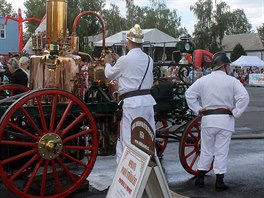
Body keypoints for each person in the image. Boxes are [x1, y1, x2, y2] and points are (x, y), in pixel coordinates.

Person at [185, 51, 249, 192]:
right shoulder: (232, 81)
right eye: (228, 65)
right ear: (225, 66)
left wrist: (198, 109)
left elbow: (189, 94)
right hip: (224, 120)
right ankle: (219, 181)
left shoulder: (203, 80)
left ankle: (200, 177)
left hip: (208, 120)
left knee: (206, 150)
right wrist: (236, 112)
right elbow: (244, 97)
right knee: (221, 151)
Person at [104, 24, 156, 163]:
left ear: (129, 43)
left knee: (127, 138)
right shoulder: (149, 60)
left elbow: (109, 75)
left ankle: (128, 173)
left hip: (132, 104)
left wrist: (107, 63)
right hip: (147, 102)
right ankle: (149, 170)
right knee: (148, 137)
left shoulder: (124, 60)